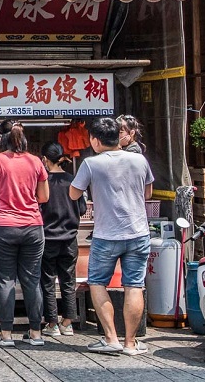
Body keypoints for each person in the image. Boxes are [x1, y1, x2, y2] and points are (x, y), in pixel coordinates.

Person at [70, 117, 154, 356]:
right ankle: (130, 343)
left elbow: (74, 193)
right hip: (138, 232)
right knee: (134, 285)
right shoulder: (140, 160)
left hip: (107, 234)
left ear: (95, 140)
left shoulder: (91, 164)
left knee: (97, 282)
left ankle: (110, 339)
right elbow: (147, 193)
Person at [0, 119, 49, 348]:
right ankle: (36, 333)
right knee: (32, 280)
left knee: (5, 281)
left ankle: (6, 334)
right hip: (32, 227)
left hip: (2, 227)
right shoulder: (36, 162)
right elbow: (44, 198)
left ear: (2, 140)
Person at [39, 142, 87, 338]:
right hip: (69, 238)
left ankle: (52, 323)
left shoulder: (43, 182)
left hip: (48, 237)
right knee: (68, 280)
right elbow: (82, 209)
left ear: (45, 160)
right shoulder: (72, 180)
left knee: (48, 281)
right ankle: (67, 322)